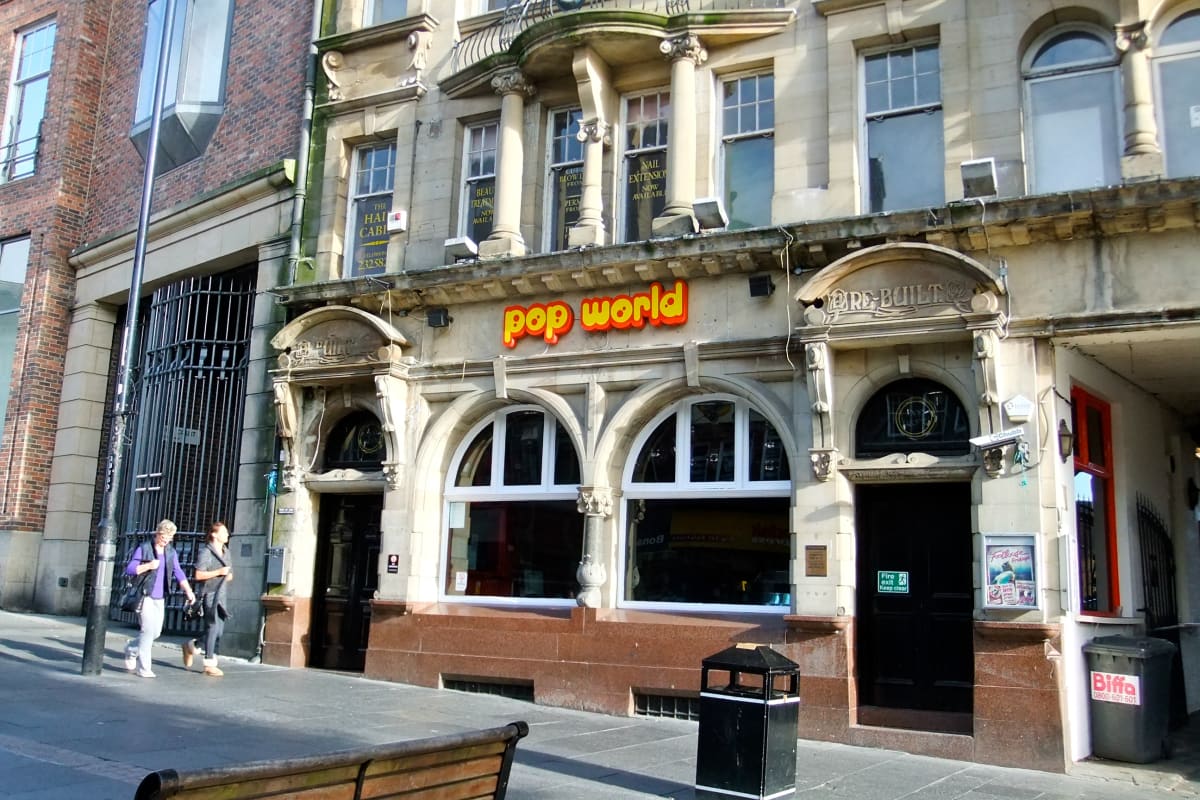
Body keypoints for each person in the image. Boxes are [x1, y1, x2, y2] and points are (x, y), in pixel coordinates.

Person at [123, 519, 195, 678]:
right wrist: (148, 565)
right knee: (147, 631)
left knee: (155, 632)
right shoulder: (144, 548)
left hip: (160, 597)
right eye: (163, 536)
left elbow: (178, 572)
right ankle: (144, 668)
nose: (166, 540)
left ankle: (131, 648)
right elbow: (130, 569)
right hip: (145, 595)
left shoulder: (170, 552)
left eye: (169, 538)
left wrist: (188, 591)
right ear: (157, 533)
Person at [182, 521, 234, 677]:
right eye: (224, 532)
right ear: (214, 534)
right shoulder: (206, 552)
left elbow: (230, 575)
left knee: (219, 631)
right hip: (209, 594)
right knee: (212, 628)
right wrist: (219, 572)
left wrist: (226, 574)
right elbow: (199, 575)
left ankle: (192, 646)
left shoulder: (226, 551)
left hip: (222, 595)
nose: (227, 535)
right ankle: (209, 664)